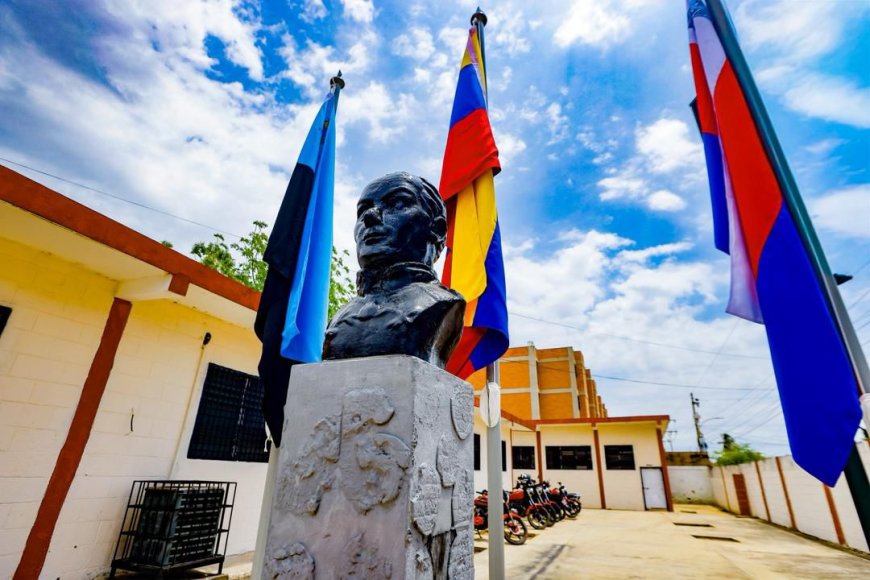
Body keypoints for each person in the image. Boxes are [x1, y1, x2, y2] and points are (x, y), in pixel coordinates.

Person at [322, 172, 465, 367]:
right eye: (363, 210)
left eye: (397, 203)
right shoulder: (341, 315)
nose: (370, 216)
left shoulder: (439, 304)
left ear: (437, 229)